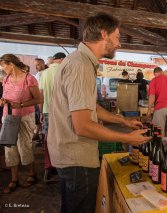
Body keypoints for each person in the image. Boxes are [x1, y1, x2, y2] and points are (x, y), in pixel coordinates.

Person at [47, 13, 150, 213]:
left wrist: (121, 121)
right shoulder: (81, 66)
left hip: (69, 154)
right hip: (77, 157)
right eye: (118, 37)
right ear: (104, 34)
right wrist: (127, 138)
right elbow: (83, 126)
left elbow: (90, 107)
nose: (119, 44)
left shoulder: (80, 61)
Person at [0, 54, 42, 193]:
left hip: (25, 117)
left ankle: (32, 174)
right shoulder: (6, 79)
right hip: (8, 117)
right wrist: (3, 101)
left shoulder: (29, 79)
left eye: (3, 65)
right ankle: (14, 178)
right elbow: (5, 96)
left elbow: (38, 99)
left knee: (25, 146)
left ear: (11, 64)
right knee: (9, 147)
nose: (2, 68)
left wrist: (21, 104)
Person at [39, 52, 66, 182]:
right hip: (62, 112)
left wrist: (40, 113)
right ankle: (61, 166)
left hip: (46, 111)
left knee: (47, 139)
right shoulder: (64, 71)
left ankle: (48, 167)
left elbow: (41, 95)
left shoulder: (44, 73)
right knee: (61, 138)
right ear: (61, 60)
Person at [147, 67, 167, 139]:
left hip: (160, 107)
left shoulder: (154, 80)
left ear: (156, 73)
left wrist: (149, 109)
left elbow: (152, 96)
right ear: (162, 72)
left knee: (160, 132)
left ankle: (162, 148)